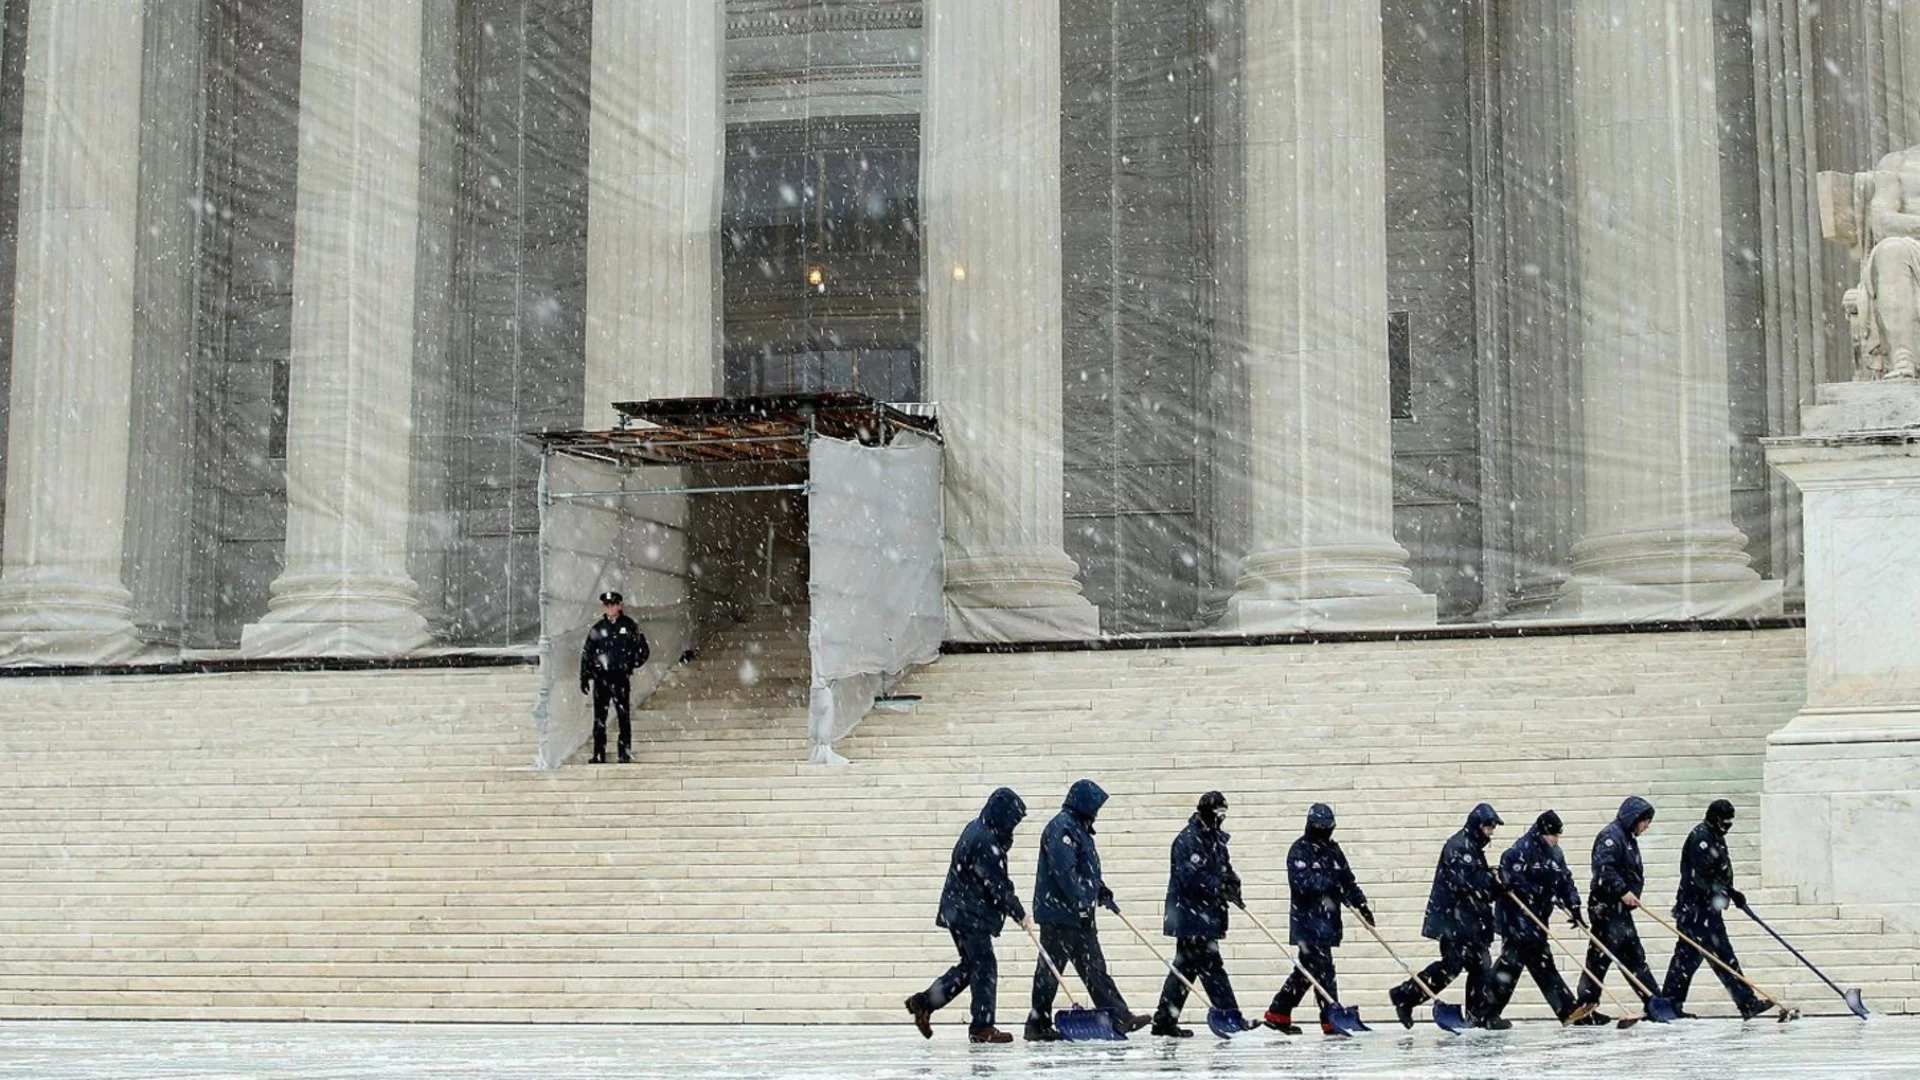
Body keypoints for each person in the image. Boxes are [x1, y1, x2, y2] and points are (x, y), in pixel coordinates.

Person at [907, 787, 1035, 1043]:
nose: (1013, 826)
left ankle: (925, 1002)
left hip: (962, 910)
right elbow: (997, 884)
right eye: (1012, 820)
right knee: (985, 966)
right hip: (969, 913)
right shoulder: (985, 840)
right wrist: (1019, 913)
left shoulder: (979, 829)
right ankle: (982, 1027)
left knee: (972, 966)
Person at [1026, 779, 1147, 1040]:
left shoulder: (1079, 828)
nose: (1097, 812)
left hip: (1078, 912)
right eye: (1094, 806)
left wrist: (1099, 890)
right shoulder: (1062, 828)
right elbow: (1065, 872)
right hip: (1060, 913)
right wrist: (1081, 899)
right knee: (1050, 971)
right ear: (1083, 804)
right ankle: (1037, 1024)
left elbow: (1083, 869)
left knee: (1094, 967)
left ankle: (1119, 1015)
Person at [1390, 802, 1503, 1029]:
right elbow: (1465, 883)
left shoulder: (1472, 847)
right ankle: (1406, 995)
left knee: (1480, 965)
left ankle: (1477, 1016)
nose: (1491, 832)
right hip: (1454, 921)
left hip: (1470, 921)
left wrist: (1496, 883)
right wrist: (1492, 881)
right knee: (1452, 965)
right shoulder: (1459, 846)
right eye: (1489, 827)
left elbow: (1478, 884)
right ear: (1478, 825)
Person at [1262, 802, 1372, 1035]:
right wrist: (1331, 884)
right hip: (1308, 923)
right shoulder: (1300, 850)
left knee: (1308, 971)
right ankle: (1330, 1016)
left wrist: (1360, 903)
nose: (1326, 832)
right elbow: (1302, 885)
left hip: (1328, 921)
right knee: (1323, 969)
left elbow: (1347, 879)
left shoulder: (1333, 850)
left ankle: (1278, 1013)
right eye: (1321, 828)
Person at [1662, 799, 1769, 1019]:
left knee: (1702, 957)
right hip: (1696, 909)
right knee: (1703, 957)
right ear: (1714, 818)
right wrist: (1729, 891)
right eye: (1725, 821)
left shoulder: (1714, 836)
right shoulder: (1701, 838)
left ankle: (1671, 1004)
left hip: (1706, 909)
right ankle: (1671, 1004)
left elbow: (1718, 871)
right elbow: (1703, 876)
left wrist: (1729, 891)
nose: (1728, 825)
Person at [1152, 791, 1246, 1037]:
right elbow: (1191, 877)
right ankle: (1230, 1014)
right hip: (1190, 916)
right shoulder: (1188, 840)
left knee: (1184, 969)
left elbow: (1224, 867)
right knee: (1212, 966)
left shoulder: (1213, 838)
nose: (1222, 818)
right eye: (1219, 813)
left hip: (1205, 915)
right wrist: (1217, 886)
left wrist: (1233, 885)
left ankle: (1164, 1021)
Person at [1484, 810, 1583, 1024]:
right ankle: (1485, 1012)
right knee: (1519, 966)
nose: (1555, 840)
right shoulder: (1519, 851)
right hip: (1516, 920)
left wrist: (1574, 906)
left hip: (1537, 920)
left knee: (1529, 966)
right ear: (1542, 832)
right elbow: (1514, 885)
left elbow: (1565, 880)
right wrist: (1540, 894)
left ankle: (1485, 1012)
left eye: (1558, 836)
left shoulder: (1555, 853)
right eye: (1552, 835)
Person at [1573, 795, 1660, 1024]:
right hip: (1607, 909)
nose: (1647, 827)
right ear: (1635, 818)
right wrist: (1623, 891)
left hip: (1618, 909)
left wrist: (1631, 894)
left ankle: (1654, 1001)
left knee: (1616, 958)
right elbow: (1604, 869)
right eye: (1646, 821)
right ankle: (1652, 1000)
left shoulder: (1628, 838)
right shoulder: (1611, 837)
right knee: (1608, 958)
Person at [579, 591, 647, 764]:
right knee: (599, 718)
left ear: (619, 606)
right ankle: (599, 753)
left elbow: (642, 649)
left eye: (613, 605)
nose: (610, 608)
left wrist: (631, 664)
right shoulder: (598, 628)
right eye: (607, 605)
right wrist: (585, 676)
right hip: (602, 678)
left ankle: (623, 753)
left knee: (623, 716)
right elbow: (587, 653)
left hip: (619, 678)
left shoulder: (629, 625)